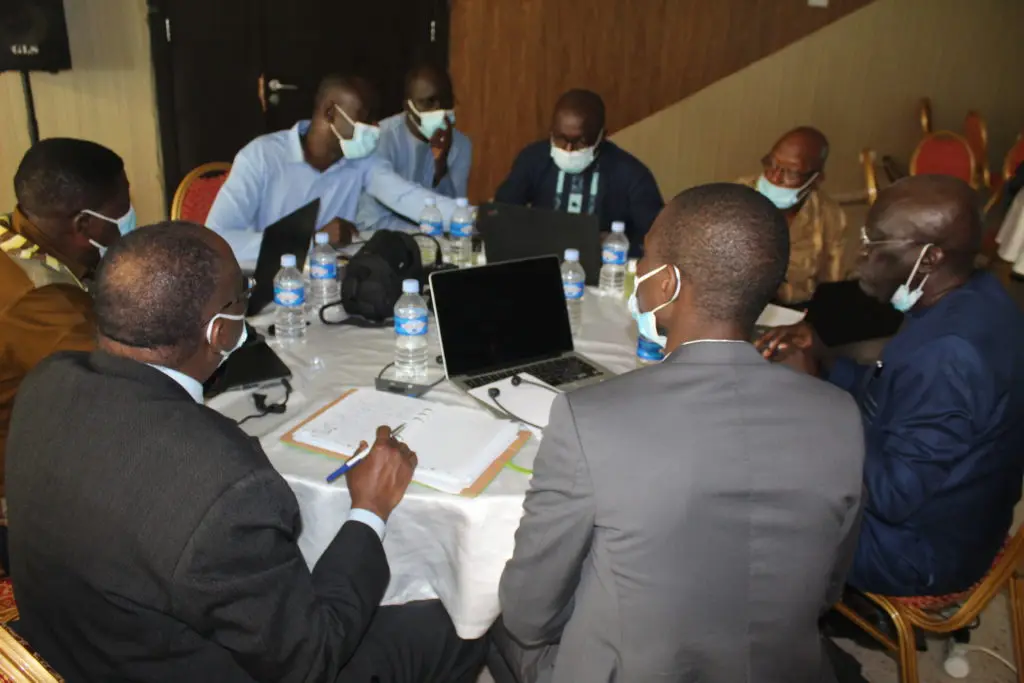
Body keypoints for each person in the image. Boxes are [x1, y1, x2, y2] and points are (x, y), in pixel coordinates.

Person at [5, 222, 485, 683]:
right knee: (455, 623)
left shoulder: (49, 380)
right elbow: (311, 660)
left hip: (70, 645)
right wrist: (370, 511)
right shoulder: (227, 486)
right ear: (220, 331)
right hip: (169, 667)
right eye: (242, 295)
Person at [490, 183, 865, 683]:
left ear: (667, 283)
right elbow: (827, 590)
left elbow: (530, 614)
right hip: (783, 669)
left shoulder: (590, 418)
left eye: (645, 257)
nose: (638, 269)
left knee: (488, 624)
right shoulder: (840, 414)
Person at [758, 175, 1024, 597]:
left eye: (875, 244)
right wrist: (824, 358)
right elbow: (890, 396)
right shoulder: (973, 297)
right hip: (951, 516)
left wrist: (817, 398)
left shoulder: (948, 355)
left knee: (746, 496)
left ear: (930, 258)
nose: (860, 256)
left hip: (914, 550)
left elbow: (892, 495)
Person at [0, 138, 132, 504]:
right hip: (23, 489)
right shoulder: (40, 299)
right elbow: (126, 388)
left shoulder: (13, 235)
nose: (127, 224)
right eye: (121, 215)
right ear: (83, 225)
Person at [207, 75, 459, 264]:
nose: (374, 128)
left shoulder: (361, 160)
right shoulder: (261, 157)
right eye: (364, 117)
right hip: (266, 288)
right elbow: (217, 240)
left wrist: (468, 218)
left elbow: (406, 196)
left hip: (328, 286)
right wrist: (312, 239)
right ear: (330, 113)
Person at [494, 89, 663, 257]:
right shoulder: (533, 159)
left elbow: (658, 237)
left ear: (601, 136)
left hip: (606, 267)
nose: (568, 149)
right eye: (560, 138)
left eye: (580, 141)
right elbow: (501, 212)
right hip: (543, 260)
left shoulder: (630, 174)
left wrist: (614, 245)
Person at [738, 127, 851, 305]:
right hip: (736, 305)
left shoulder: (830, 217)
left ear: (816, 179)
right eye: (771, 163)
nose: (775, 177)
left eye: (791, 172)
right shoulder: (736, 196)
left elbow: (831, 289)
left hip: (794, 310)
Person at [355, 64, 471, 232]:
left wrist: (441, 165)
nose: (438, 109)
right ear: (408, 107)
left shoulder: (461, 145)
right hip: (381, 236)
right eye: (428, 102)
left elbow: (456, 213)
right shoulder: (381, 140)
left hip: (436, 239)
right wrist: (423, 237)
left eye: (445, 100)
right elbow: (371, 219)